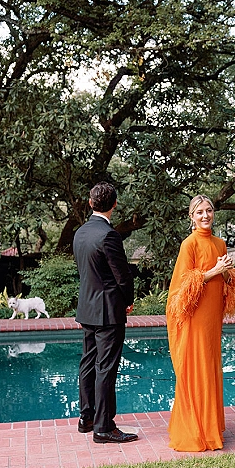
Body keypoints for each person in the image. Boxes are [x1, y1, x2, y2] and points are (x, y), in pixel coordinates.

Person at [166, 194, 235, 452]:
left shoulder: (220, 244)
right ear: (192, 217)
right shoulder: (188, 245)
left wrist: (227, 272)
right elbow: (182, 288)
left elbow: (228, 281)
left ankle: (211, 428)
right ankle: (196, 430)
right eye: (199, 212)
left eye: (208, 210)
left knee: (211, 367)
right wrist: (213, 271)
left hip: (212, 318)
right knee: (196, 367)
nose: (205, 216)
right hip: (196, 317)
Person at [73, 182, 138, 444]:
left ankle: (86, 418)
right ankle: (103, 427)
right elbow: (122, 275)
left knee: (88, 363)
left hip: (87, 308)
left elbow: (85, 271)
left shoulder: (80, 233)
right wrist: (128, 301)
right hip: (108, 311)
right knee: (106, 368)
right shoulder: (109, 235)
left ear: (90, 203)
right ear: (114, 204)